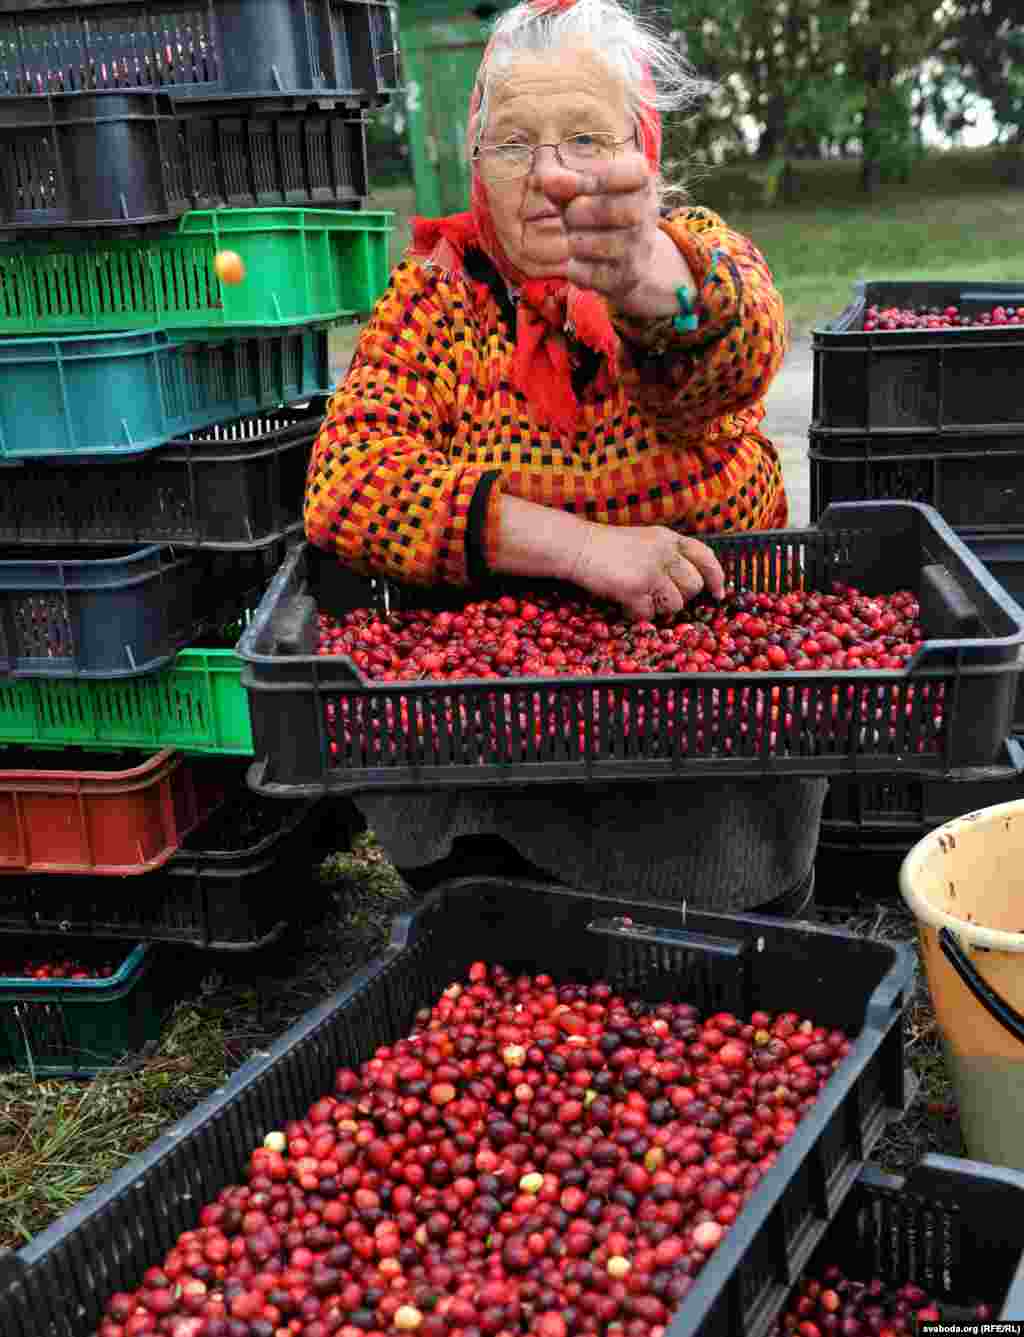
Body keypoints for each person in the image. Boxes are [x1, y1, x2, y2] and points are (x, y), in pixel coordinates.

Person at [304, 0, 826, 915]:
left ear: (642, 152)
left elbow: (736, 350)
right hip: (500, 732)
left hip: (698, 722)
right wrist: (581, 548)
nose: (549, 175)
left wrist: (646, 280)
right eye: (513, 144)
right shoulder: (437, 299)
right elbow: (348, 481)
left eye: (585, 138)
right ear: (475, 165)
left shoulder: (687, 260)